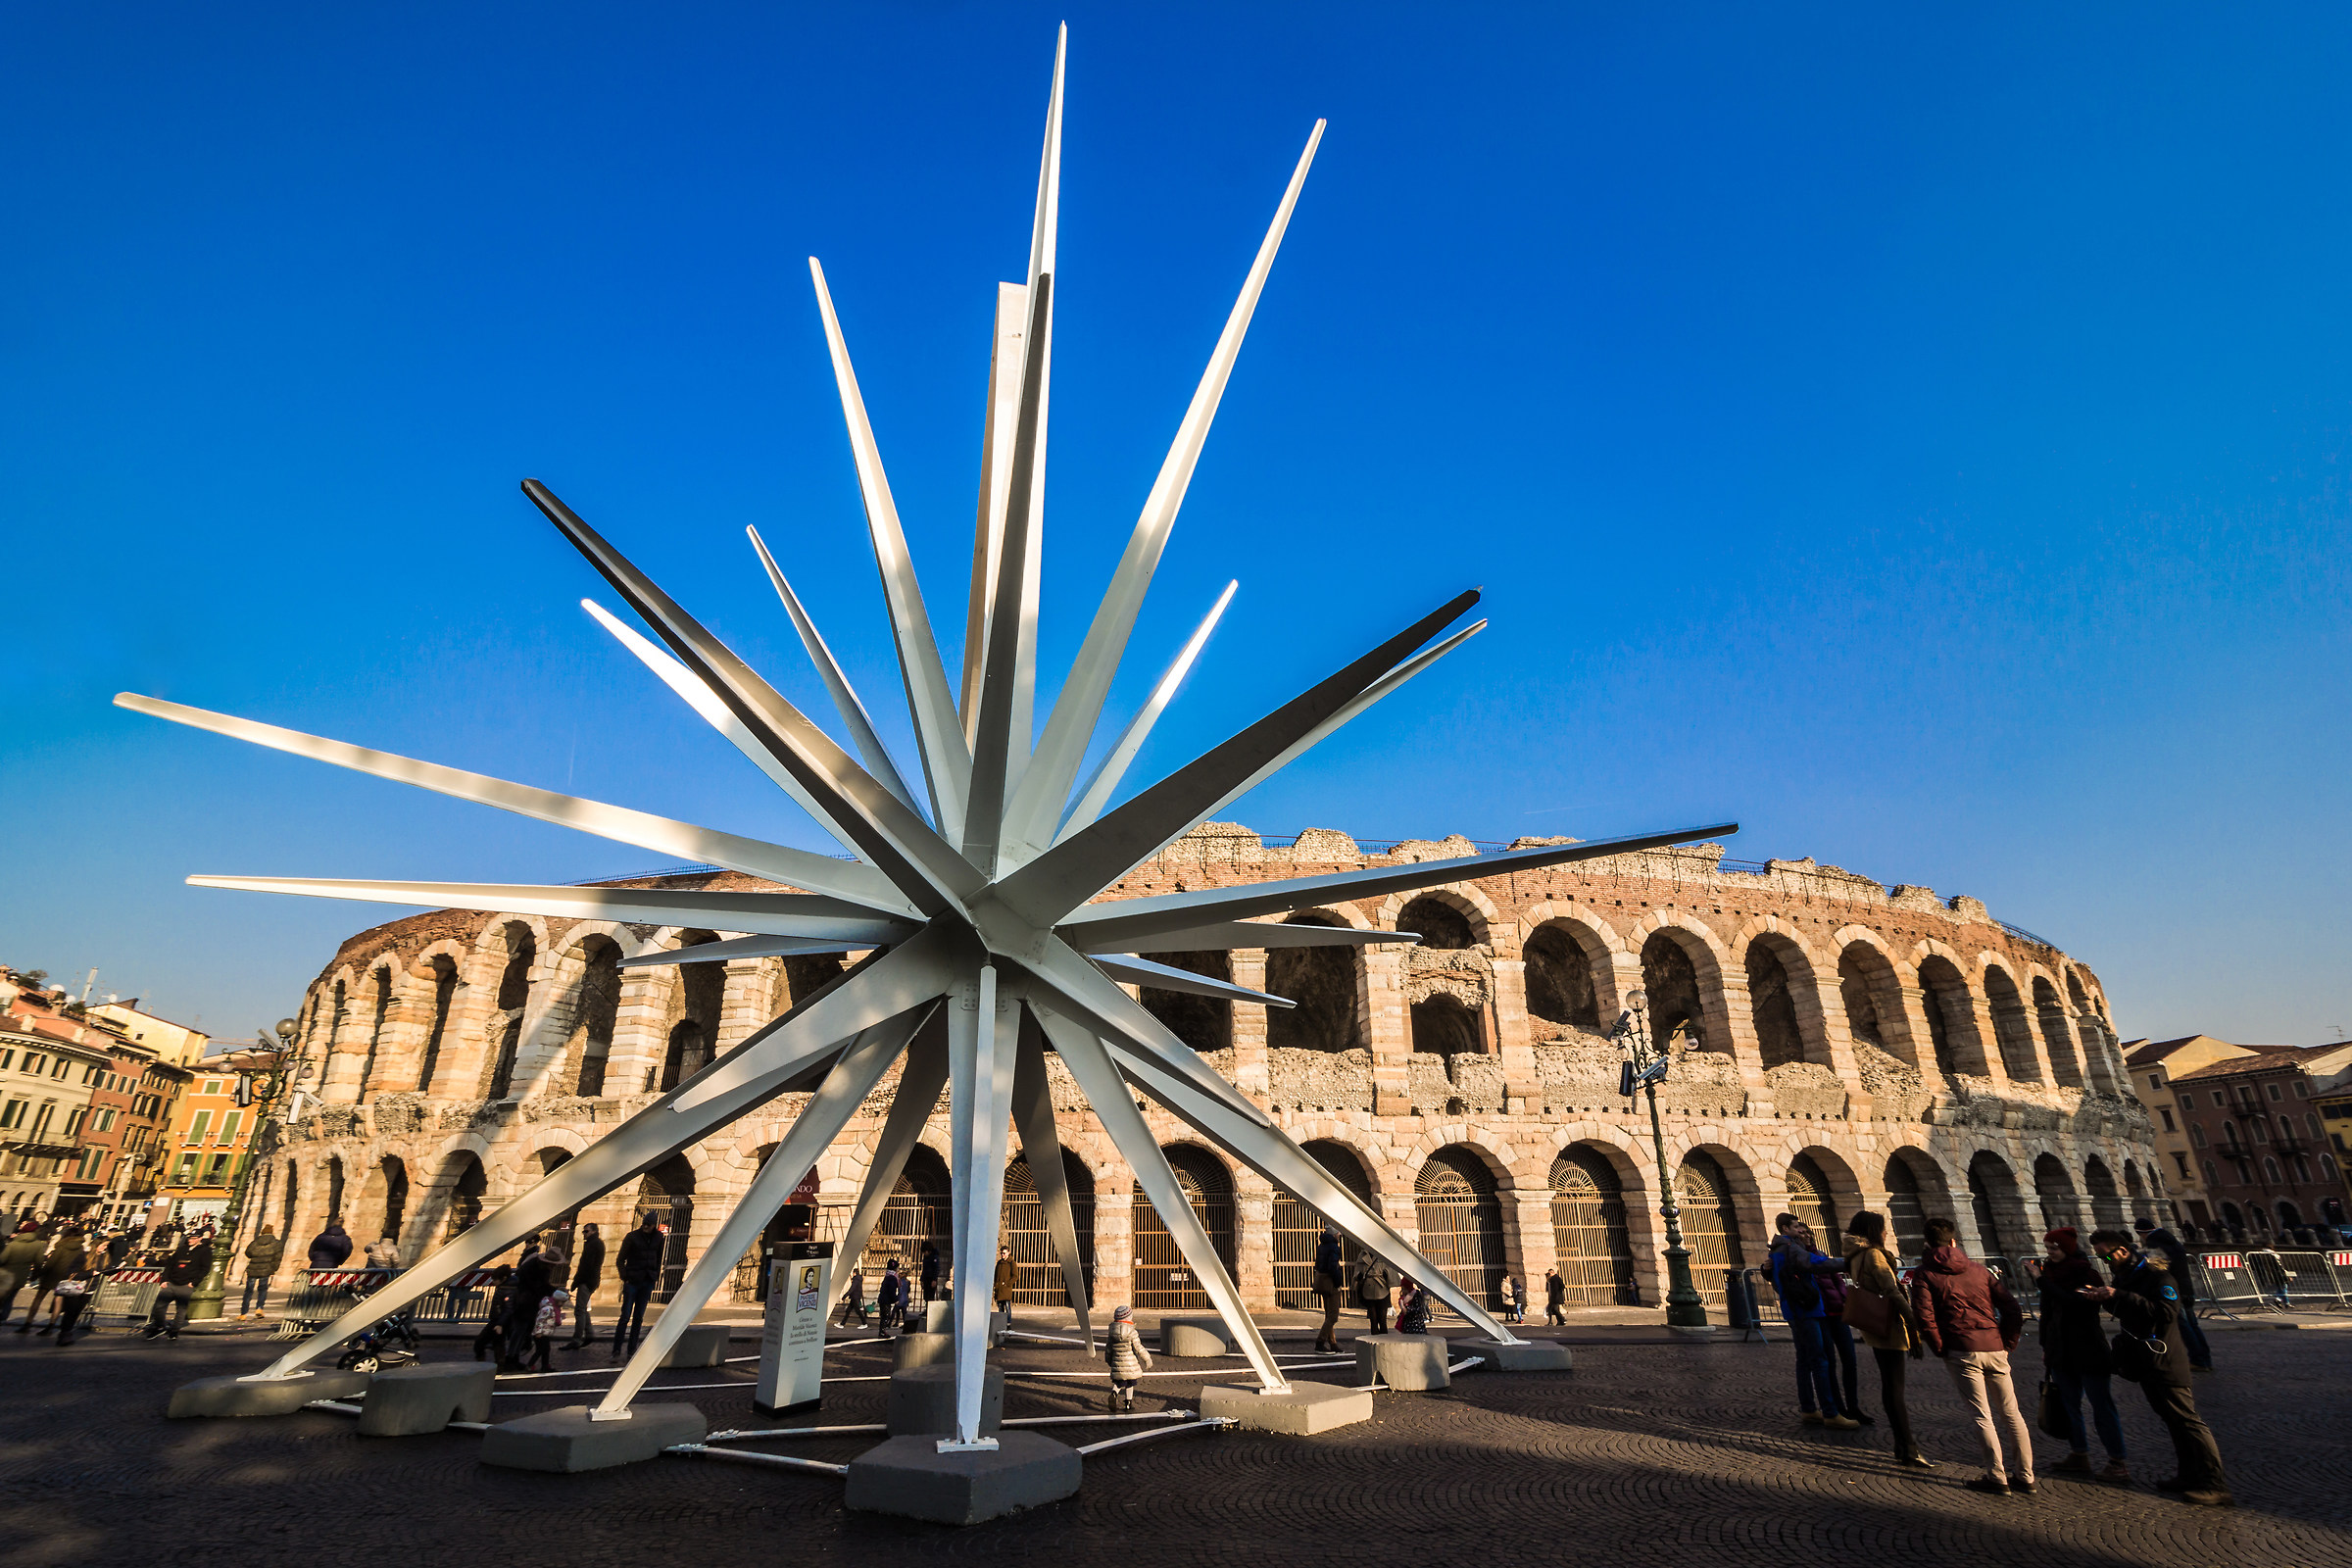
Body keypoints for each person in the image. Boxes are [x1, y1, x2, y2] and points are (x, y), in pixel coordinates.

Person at [2082, 1228, 2230, 1506]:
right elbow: (2129, 1311)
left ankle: (2216, 1484)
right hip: (2144, 1359)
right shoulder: (2126, 1276)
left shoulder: (2157, 1274)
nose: (2105, 1262)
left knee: (2188, 1422)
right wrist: (2107, 1298)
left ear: (2122, 1251)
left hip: (2166, 1359)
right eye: (2100, 1258)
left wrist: (2120, 1294)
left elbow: (2166, 1312)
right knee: (2172, 1421)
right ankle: (2188, 1475)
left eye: (2106, 1256)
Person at [1910, 1216, 2034, 1495]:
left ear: (1927, 1243)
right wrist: (2007, 1342)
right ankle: (2025, 1475)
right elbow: (2012, 1308)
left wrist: (1939, 1347)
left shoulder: (1924, 1273)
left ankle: (1996, 1476)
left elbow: (1924, 1316)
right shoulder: (1979, 1270)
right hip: (1994, 1345)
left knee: (1981, 1415)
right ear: (1954, 1241)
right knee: (2011, 1413)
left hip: (1961, 1348)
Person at [1842, 1211, 1933, 1470]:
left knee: (1890, 1386)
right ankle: (1908, 1447)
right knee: (1895, 1388)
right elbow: (1891, 1290)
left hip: (1875, 1324)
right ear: (1873, 1230)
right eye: (1883, 1228)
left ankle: (1902, 1446)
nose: (1886, 1232)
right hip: (1889, 1324)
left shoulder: (1855, 1254)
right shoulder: (1873, 1255)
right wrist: (1913, 1319)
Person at [2037, 1228, 2128, 1483]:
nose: (2050, 1253)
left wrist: (2041, 1282)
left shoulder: (2085, 1272)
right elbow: (2047, 1314)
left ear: (2067, 1249)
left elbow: (2074, 1303)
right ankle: (2079, 1453)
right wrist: (2046, 1347)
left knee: (2102, 1406)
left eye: (2054, 1248)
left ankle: (2117, 1461)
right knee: (2069, 1404)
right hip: (2060, 1349)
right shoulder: (2049, 1272)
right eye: (2048, 1248)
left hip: (2088, 1347)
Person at [1768, 1214, 1857, 1430]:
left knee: (1804, 1360)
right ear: (1785, 1228)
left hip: (1793, 1308)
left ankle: (1808, 1408)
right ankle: (1830, 1412)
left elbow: (1776, 1278)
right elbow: (1816, 1262)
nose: (1800, 1230)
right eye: (1796, 1226)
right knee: (1820, 1360)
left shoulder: (1777, 1250)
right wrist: (1848, 1262)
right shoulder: (1790, 1248)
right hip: (1806, 1309)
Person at [2134, 1219, 2213, 1373]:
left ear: (2141, 1233)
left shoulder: (2154, 1243)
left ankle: (2198, 1360)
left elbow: (2157, 1268)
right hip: (2186, 1288)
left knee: (2184, 1326)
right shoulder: (2172, 1241)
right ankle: (2205, 1358)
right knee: (2193, 1325)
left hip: (2172, 1291)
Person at [612, 1212, 663, 1359]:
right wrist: (625, 1277)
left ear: (654, 1225)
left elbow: (659, 1258)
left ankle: (631, 1349)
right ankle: (616, 1350)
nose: (645, 1227)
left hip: (647, 1280)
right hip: (633, 1281)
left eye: (649, 1225)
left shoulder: (659, 1237)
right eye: (644, 1224)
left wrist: (655, 1275)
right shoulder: (632, 1237)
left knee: (638, 1317)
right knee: (625, 1316)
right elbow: (620, 1259)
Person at [19, 1225, 88, 1335]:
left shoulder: (62, 1246)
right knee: (58, 1302)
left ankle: (28, 1323)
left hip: (52, 1275)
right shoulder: (81, 1249)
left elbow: (51, 1263)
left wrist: (38, 1274)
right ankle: (51, 1325)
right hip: (65, 1277)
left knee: (38, 1298)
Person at [144, 1233, 214, 1341]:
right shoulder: (182, 1249)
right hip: (172, 1282)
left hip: (187, 1283)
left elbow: (205, 1268)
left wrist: (194, 1282)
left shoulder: (205, 1251)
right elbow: (170, 1265)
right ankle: (159, 1326)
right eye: (190, 1238)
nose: (190, 1240)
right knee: (159, 1306)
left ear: (200, 1238)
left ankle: (174, 1330)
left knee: (181, 1309)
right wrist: (164, 1280)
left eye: (194, 1238)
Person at [508, 1243, 562, 1370]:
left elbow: (542, 1286)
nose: (554, 1267)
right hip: (523, 1303)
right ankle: (511, 1358)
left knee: (522, 1332)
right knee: (519, 1331)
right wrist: (554, 1291)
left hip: (530, 1303)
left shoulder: (541, 1268)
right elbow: (537, 1286)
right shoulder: (532, 1268)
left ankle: (514, 1358)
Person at [1103, 1302, 1152, 1411]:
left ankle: (1114, 1393)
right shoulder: (1132, 1332)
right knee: (1130, 1383)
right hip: (1131, 1364)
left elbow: (1108, 1348)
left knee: (1119, 1382)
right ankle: (1128, 1403)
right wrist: (1147, 1358)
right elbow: (1138, 1347)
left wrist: (1108, 1360)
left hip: (1117, 1362)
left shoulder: (1112, 1333)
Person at [565, 1223, 605, 1348]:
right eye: (583, 1231)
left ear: (593, 1231)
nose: (584, 1233)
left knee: (579, 1310)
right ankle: (589, 1333)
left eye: (586, 1231)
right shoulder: (594, 1243)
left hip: (587, 1280)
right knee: (582, 1309)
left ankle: (577, 1339)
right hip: (591, 1280)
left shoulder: (593, 1244)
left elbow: (586, 1266)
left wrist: (576, 1281)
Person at [472, 1265, 518, 1361]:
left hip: (498, 1321)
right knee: (498, 1344)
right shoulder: (508, 1288)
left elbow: (508, 1309)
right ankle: (499, 1365)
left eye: (495, 1279)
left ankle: (484, 1362)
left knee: (481, 1342)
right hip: (501, 1320)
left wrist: (499, 1324)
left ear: (503, 1278)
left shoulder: (506, 1290)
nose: (493, 1282)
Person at [239, 1224, 284, 1316]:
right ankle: (259, 1309)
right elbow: (277, 1258)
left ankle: (243, 1313)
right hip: (266, 1269)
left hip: (253, 1268)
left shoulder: (255, 1242)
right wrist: (274, 1269)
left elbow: (248, 1253)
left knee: (248, 1290)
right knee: (262, 1289)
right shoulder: (276, 1243)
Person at [1312, 1228, 1346, 1352]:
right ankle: (1320, 1342)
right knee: (1333, 1316)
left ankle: (1332, 1342)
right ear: (1334, 1234)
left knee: (1328, 1315)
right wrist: (1338, 1283)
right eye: (1338, 1232)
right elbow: (1333, 1267)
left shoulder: (1321, 1246)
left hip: (1323, 1282)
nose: (1340, 1234)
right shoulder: (1334, 1247)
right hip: (1331, 1284)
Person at [50, 1260, 96, 1347]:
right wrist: (90, 1274)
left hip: (90, 1289)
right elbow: (71, 1273)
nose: (103, 1250)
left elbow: (106, 1270)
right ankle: (64, 1333)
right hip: (75, 1288)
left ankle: (67, 1332)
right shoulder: (83, 1257)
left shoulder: (105, 1257)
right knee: (70, 1312)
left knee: (76, 1313)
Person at [527, 1286, 569, 1372]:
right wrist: (538, 1332)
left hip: (546, 1333)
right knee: (540, 1350)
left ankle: (545, 1366)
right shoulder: (548, 1309)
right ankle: (530, 1365)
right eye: (562, 1302)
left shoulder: (554, 1309)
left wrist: (560, 1317)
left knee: (546, 1350)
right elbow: (540, 1320)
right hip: (541, 1334)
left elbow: (552, 1320)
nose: (563, 1304)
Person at [1352, 1252, 1393, 1334]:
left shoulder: (1383, 1253)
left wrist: (1386, 1275)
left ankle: (1384, 1339)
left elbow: (1390, 1270)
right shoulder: (1362, 1254)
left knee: (1382, 1319)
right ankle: (1374, 1338)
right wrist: (1359, 1275)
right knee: (1373, 1319)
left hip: (1382, 1288)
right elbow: (1358, 1270)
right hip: (1368, 1289)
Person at [877, 1258, 906, 1336]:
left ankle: (882, 1331)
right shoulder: (892, 1277)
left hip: (883, 1299)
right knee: (886, 1316)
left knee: (885, 1315)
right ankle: (882, 1332)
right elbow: (891, 1290)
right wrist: (895, 1299)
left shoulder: (888, 1276)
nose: (898, 1269)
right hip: (885, 1299)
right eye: (897, 1268)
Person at [994, 1246, 1017, 1327]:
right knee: (1000, 1308)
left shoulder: (1011, 1263)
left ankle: (1008, 1323)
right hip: (999, 1289)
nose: (1002, 1255)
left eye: (1004, 1253)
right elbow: (996, 1275)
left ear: (1008, 1253)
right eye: (1001, 1253)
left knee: (1007, 1307)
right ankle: (1001, 1324)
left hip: (1006, 1289)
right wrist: (996, 1284)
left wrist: (1007, 1284)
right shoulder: (999, 1263)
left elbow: (1015, 1276)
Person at [838, 1264, 866, 1328]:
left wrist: (845, 1295)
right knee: (848, 1311)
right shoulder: (858, 1279)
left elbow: (852, 1289)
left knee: (857, 1311)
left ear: (854, 1273)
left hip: (855, 1297)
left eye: (853, 1273)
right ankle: (842, 1324)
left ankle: (864, 1323)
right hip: (855, 1297)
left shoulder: (856, 1280)